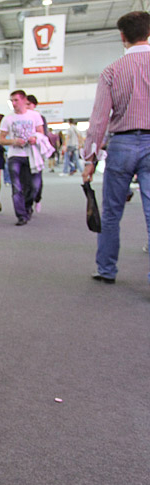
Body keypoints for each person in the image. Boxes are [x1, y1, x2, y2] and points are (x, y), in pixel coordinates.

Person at [82, 11, 150, 284]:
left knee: (111, 212)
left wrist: (90, 158)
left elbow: (99, 119)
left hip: (121, 145)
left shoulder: (111, 71)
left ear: (123, 36)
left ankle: (106, 269)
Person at [0, 90, 45, 226]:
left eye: (16, 100)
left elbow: (41, 133)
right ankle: (21, 215)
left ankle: (28, 206)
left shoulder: (35, 116)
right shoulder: (8, 119)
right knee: (17, 187)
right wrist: (13, 141)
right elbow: (0, 140)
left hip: (32, 155)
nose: (13, 103)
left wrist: (35, 138)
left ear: (24, 100)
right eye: (12, 101)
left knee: (34, 186)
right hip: (15, 156)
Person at [26, 94, 50, 212]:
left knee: (36, 180)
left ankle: (37, 198)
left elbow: (43, 135)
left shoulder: (40, 118)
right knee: (26, 180)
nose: (26, 106)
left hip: (37, 152)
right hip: (24, 152)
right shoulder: (20, 118)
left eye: (29, 104)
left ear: (34, 105)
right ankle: (27, 204)